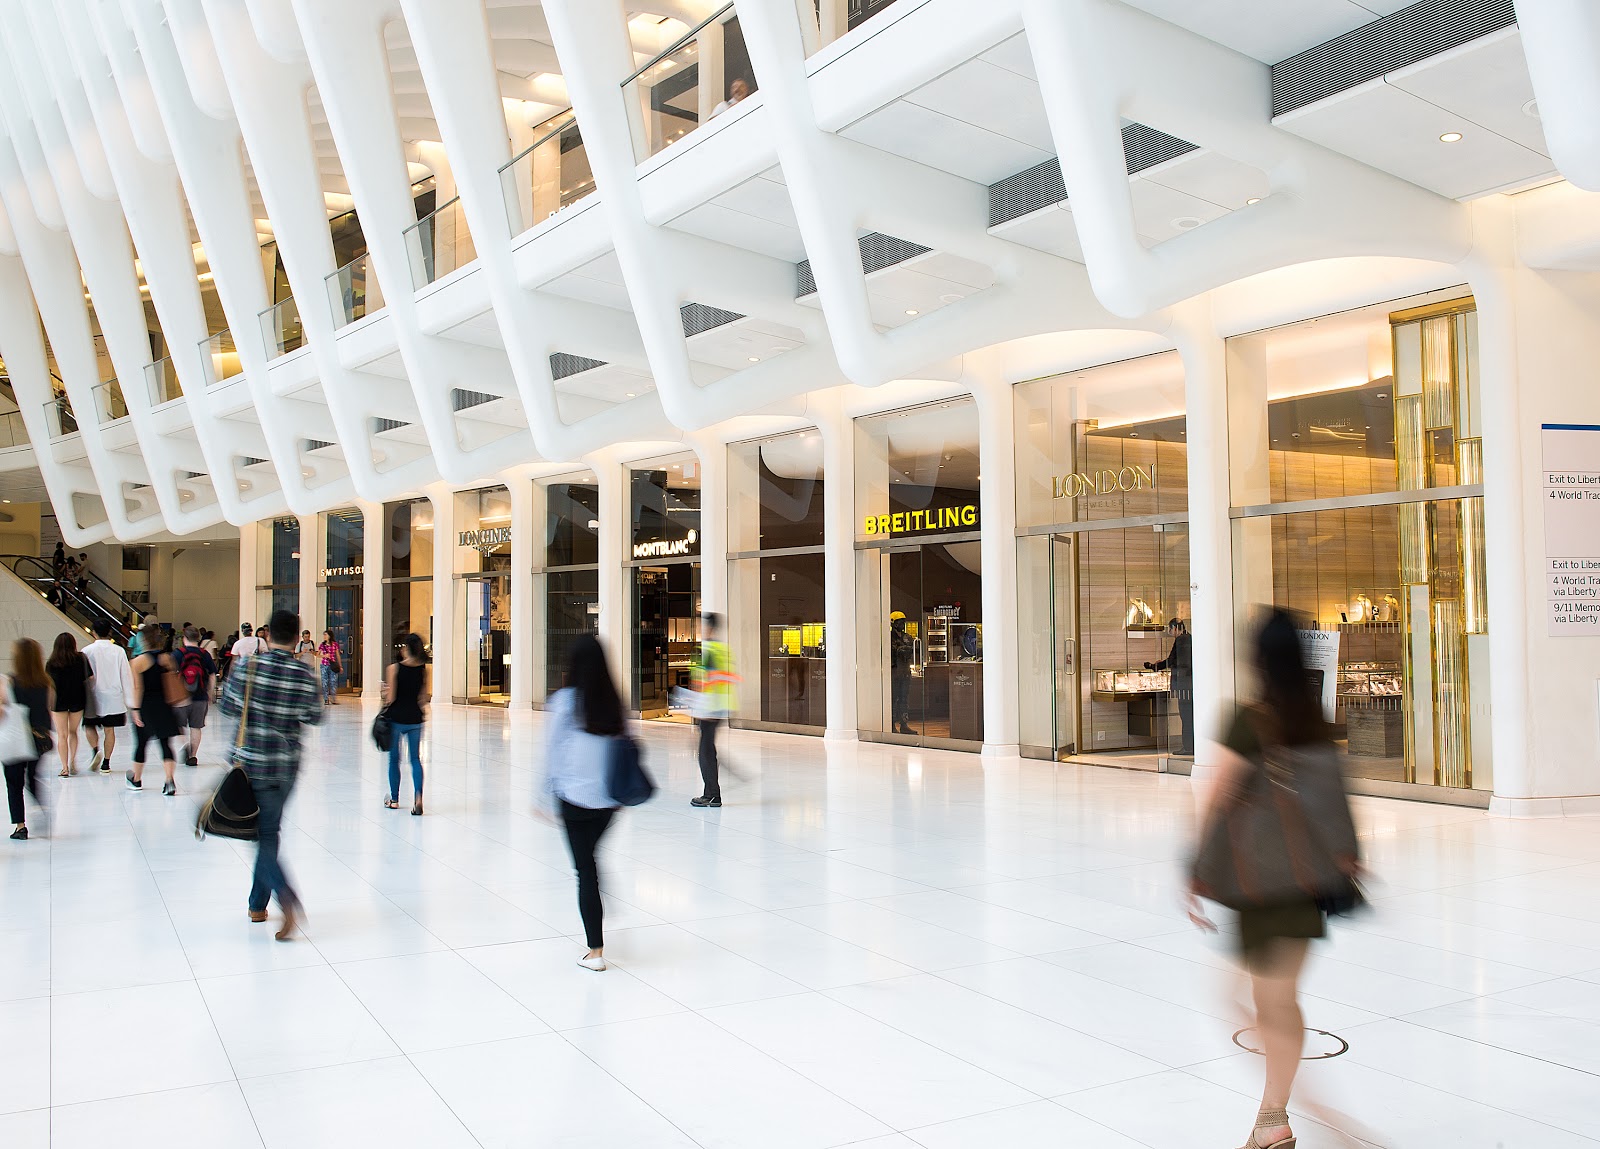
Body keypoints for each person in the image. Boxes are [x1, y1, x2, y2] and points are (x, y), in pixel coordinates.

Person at [1188, 609, 1361, 1149]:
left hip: (1263, 888)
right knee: (1273, 999)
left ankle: (1276, 1119)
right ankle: (1279, 1114)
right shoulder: (1316, 722)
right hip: (1308, 884)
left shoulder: (1250, 720)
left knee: (1258, 1002)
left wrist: (1196, 871)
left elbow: (1218, 796)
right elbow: (1336, 802)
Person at [218, 608, 323, 941]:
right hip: (284, 767)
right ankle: (256, 904)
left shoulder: (248, 668)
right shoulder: (303, 674)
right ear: (296, 638)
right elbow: (315, 717)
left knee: (260, 836)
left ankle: (285, 895)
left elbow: (227, 707)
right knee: (268, 832)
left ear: (267, 634)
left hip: (250, 765)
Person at [540, 635, 625, 971]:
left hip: (573, 800)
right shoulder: (613, 701)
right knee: (590, 860)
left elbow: (550, 753)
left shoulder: (564, 702)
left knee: (584, 871)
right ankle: (601, 902)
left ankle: (596, 951)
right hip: (608, 803)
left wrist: (542, 795)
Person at [5, 638, 52, 840]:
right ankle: (40, 806)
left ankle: (20, 826)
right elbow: (49, 708)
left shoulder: (9, 682)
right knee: (33, 776)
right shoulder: (45, 682)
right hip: (39, 738)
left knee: (14, 783)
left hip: (15, 738)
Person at [127, 622, 182, 796]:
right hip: (164, 704)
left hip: (146, 706)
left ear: (143, 640)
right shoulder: (167, 658)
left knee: (141, 743)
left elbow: (138, 688)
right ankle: (169, 781)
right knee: (165, 743)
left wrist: (135, 709)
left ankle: (136, 779)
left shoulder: (137, 662)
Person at [690, 612, 736, 808]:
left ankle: (712, 795)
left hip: (710, 708)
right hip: (722, 705)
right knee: (709, 750)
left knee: (705, 752)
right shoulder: (723, 649)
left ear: (709, 627)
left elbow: (703, 681)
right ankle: (711, 793)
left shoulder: (708, 649)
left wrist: (699, 707)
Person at [380, 633, 428, 814]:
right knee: (415, 759)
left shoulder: (394, 669)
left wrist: (384, 692)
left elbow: (390, 698)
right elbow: (423, 697)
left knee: (394, 760)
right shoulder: (423, 669)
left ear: (406, 648)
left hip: (396, 719)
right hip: (415, 718)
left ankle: (394, 799)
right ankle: (418, 797)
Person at [83, 619, 135, 775]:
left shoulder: (86, 651)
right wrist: (130, 700)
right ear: (110, 632)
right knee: (109, 730)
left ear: (93, 632)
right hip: (113, 696)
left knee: (89, 726)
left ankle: (95, 751)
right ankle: (106, 763)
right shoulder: (118, 651)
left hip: (93, 697)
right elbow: (126, 675)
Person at [1146, 617, 1194, 755]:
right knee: (1188, 716)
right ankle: (1190, 746)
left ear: (1175, 628)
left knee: (1186, 716)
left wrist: (1155, 666)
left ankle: (1188, 747)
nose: (1169, 632)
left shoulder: (1182, 640)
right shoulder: (1188, 638)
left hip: (1184, 684)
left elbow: (1174, 660)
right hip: (1187, 684)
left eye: (1170, 629)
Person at [45, 632, 90, 777]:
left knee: (62, 735)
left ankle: (64, 767)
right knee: (73, 732)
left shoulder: (51, 663)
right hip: (78, 698)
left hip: (59, 701)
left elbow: (49, 685)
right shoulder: (81, 658)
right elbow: (89, 678)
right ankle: (73, 762)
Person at [175, 627, 217, 767]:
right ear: (198, 638)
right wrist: (210, 693)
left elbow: (169, 674)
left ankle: (185, 743)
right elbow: (212, 675)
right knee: (196, 727)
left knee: (178, 725)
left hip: (181, 697)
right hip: (200, 695)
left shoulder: (178, 653)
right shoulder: (205, 654)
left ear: (184, 638)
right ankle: (193, 755)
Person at [889, 611, 915, 735]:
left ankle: (904, 724)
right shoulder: (889, 637)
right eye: (899, 622)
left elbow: (912, 649)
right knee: (893, 699)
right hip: (894, 672)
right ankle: (891, 725)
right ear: (893, 623)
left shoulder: (907, 637)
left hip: (905, 671)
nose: (902, 624)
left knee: (904, 699)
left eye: (903, 621)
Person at [318, 630, 342, 705]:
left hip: (332, 665)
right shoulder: (322, 645)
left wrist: (340, 666)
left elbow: (337, 655)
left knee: (333, 682)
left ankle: (333, 698)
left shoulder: (335, 645)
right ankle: (326, 698)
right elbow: (317, 654)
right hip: (324, 665)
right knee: (324, 682)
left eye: (326, 635)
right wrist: (324, 656)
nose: (324, 636)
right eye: (324, 635)